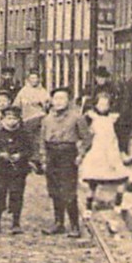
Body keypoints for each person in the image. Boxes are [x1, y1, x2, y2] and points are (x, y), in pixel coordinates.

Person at [38, 85, 92, 237]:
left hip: (68, 154)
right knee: (54, 190)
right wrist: (43, 158)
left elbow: (87, 138)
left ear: (68, 101)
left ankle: (74, 225)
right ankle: (58, 223)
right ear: (51, 101)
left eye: (62, 98)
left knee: (68, 191)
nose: (59, 101)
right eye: (56, 98)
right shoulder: (47, 119)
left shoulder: (76, 117)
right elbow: (42, 140)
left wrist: (80, 155)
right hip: (51, 154)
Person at [0, 106, 33, 234]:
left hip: (19, 170)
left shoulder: (24, 134)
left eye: (14, 118)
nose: (11, 121)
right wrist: (0, 154)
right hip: (1, 169)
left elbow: (29, 150)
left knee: (17, 194)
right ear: (3, 119)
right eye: (8, 118)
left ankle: (16, 223)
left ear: (19, 120)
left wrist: (21, 155)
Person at [80, 89, 130, 211]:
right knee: (93, 179)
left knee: (121, 177)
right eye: (100, 104)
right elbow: (84, 133)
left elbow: (120, 134)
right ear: (96, 104)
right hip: (97, 151)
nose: (103, 107)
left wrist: (122, 150)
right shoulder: (91, 117)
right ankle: (88, 206)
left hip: (112, 150)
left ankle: (118, 203)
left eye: (106, 105)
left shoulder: (113, 119)